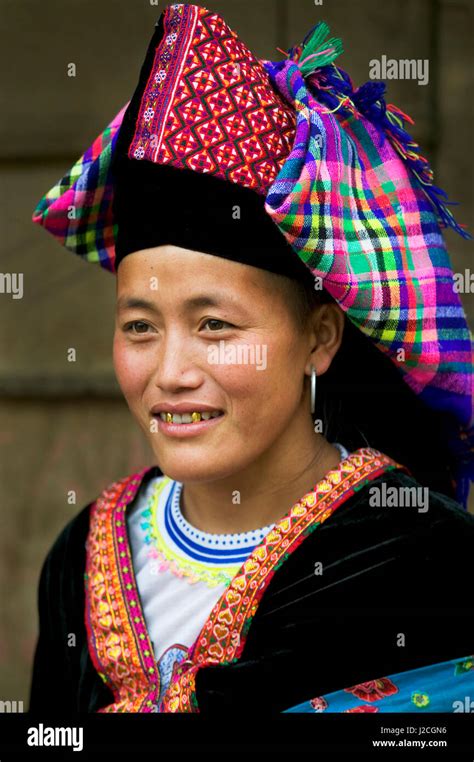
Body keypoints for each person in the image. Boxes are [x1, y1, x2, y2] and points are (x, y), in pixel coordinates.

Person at [29, 3, 474, 714]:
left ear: (320, 337)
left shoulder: (422, 559)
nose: (170, 372)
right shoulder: (80, 557)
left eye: (214, 325)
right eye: (140, 327)